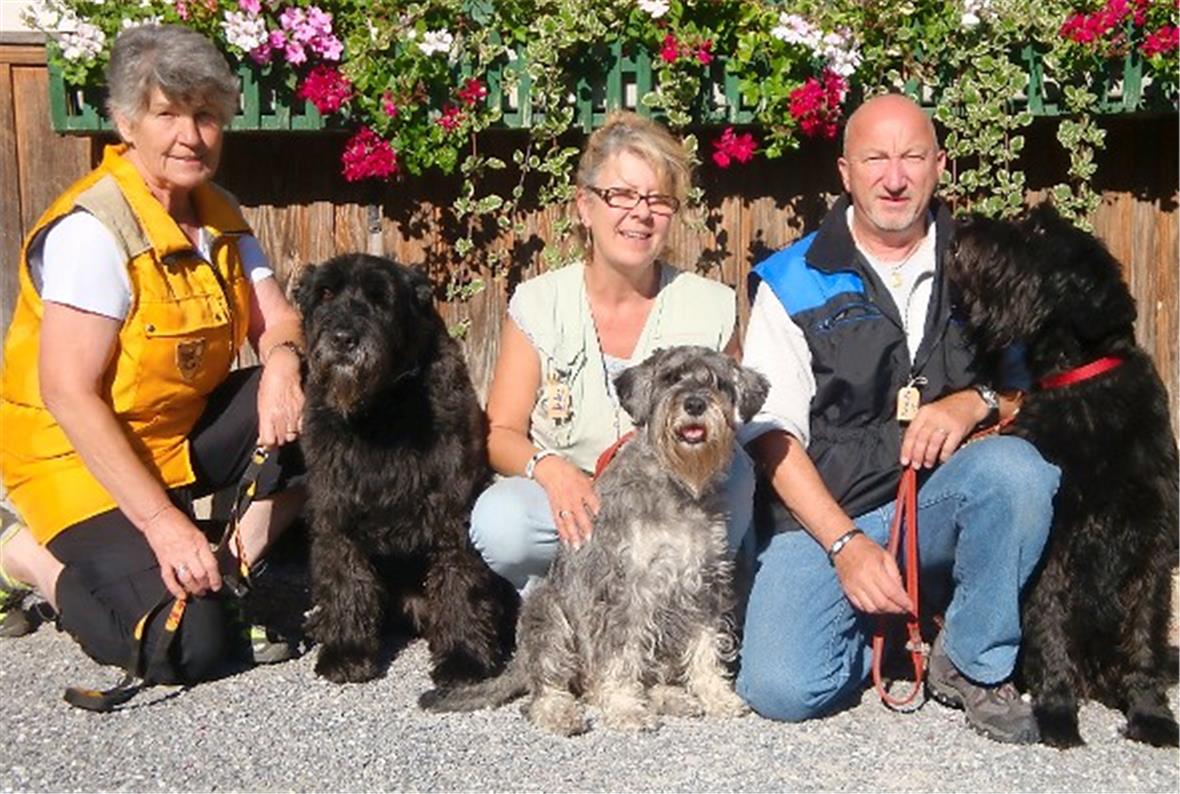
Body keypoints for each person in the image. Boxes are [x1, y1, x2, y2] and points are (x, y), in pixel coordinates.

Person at [735, 94, 1060, 744]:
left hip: (937, 507)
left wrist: (978, 400)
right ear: (845, 171)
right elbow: (769, 436)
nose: (894, 177)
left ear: (939, 165)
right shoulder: (792, 279)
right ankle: (898, 636)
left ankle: (970, 658)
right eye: (875, 158)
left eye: (912, 157)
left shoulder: (987, 265)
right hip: (828, 521)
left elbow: (1042, 391)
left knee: (1018, 472)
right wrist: (846, 546)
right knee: (781, 688)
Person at [0, 25, 306, 682]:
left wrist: (282, 363)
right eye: (168, 114)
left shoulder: (217, 212)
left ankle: (224, 573)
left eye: (205, 116)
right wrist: (164, 524)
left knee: (329, 393)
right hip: (74, 460)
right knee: (181, 646)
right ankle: (21, 555)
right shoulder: (94, 231)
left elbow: (279, 319)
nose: (190, 136)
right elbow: (67, 394)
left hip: (166, 437)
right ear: (125, 121)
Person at [469, 111, 755, 590]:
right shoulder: (539, 302)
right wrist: (551, 470)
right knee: (502, 521)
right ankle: (560, 613)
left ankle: (693, 606)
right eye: (621, 195)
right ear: (585, 206)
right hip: (572, 500)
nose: (640, 213)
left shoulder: (712, 305)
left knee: (738, 475)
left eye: (658, 200)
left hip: (675, 502)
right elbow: (500, 433)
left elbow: (734, 420)